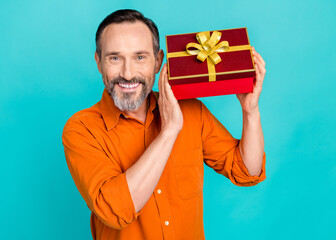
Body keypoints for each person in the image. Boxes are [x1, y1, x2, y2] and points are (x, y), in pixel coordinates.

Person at [62, 9, 267, 240]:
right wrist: (169, 130)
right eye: (115, 58)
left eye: (140, 57)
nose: (128, 74)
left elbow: (247, 171)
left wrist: (250, 112)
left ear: (158, 61)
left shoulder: (191, 110)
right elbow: (115, 211)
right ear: (99, 62)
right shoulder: (81, 129)